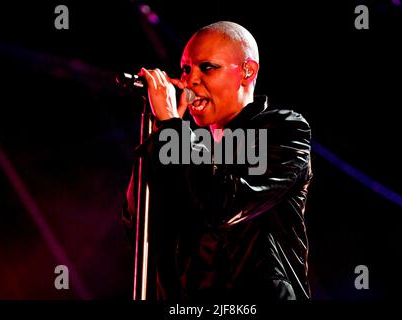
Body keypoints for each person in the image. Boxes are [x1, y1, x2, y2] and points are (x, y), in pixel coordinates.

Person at [122, 21, 312, 301]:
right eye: (186, 69)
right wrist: (164, 133)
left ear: (247, 71)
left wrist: (173, 129)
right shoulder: (185, 147)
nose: (190, 80)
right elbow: (137, 225)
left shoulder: (283, 130)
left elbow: (224, 202)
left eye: (207, 67)